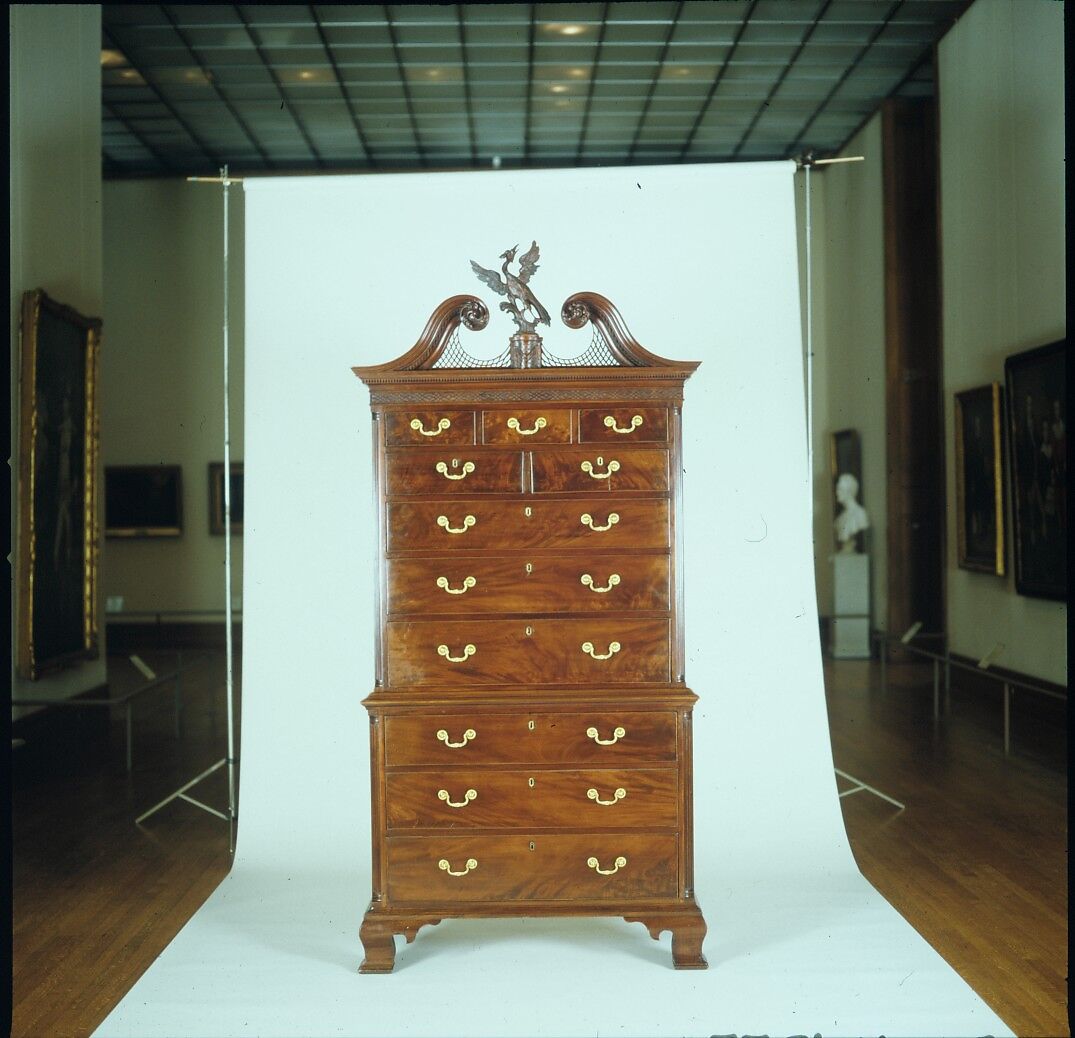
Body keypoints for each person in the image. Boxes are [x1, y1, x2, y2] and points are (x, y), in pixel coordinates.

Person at [834, 472, 869, 552]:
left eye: (839, 489)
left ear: (848, 491)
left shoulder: (860, 514)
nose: (836, 492)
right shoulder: (840, 518)